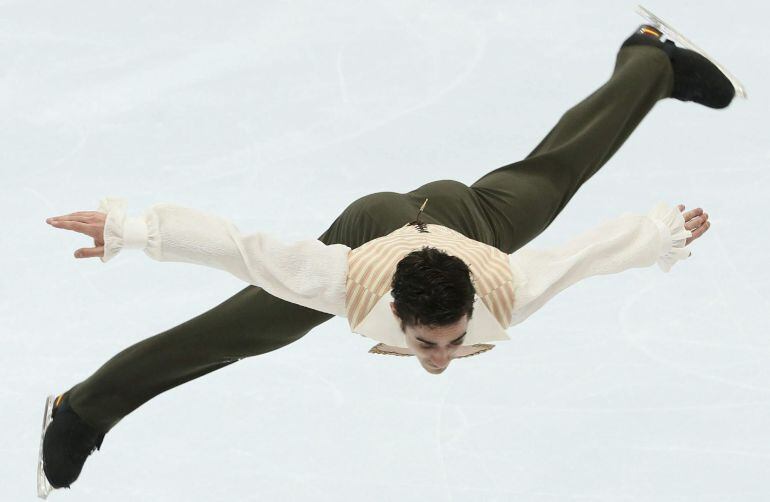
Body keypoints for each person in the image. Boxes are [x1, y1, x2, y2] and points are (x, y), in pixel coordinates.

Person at [38, 22, 736, 497]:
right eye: (429, 343)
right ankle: (81, 410)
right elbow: (240, 249)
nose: (438, 356)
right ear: (395, 314)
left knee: (553, 179)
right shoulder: (342, 280)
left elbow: (586, 255)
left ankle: (651, 58)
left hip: (466, 220)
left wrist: (660, 234)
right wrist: (133, 230)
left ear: (470, 309)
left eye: (451, 340)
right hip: (373, 225)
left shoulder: (506, 285)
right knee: (237, 329)